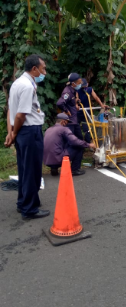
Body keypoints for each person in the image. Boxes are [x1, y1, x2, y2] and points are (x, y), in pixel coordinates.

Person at [4, 54, 50, 220]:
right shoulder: (27, 86)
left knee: (24, 169)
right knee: (32, 171)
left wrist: (11, 133)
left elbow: (11, 110)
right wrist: (14, 133)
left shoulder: (17, 83)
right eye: (43, 68)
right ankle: (30, 209)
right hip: (29, 131)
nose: (44, 72)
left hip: (22, 132)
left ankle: (23, 202)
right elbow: (21, 115)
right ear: (34, 69)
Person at [77, 78, 108, 143]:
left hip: (86, 112)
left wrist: (101, 105)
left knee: (87, 129)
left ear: (87, 85)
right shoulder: (78, 90)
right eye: (83, 87)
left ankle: (88, 143)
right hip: (78, 112)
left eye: (85, 86)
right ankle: (79, 143)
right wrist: (77, 102)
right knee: (77, 128)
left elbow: (96, 97)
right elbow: (76, 98)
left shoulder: (89, 89)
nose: (84, 88)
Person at [56, 73, 83, 141]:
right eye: (79, 83)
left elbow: (71, 101)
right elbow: (60, 103)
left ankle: (79, 151)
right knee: (70, 140)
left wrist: (75, 103)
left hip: (74, 120)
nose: (80, 84)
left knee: (79, 138)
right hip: (69, 121)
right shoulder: (67, 92)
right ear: (73, 83)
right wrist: (66, 110)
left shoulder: (73, 90)